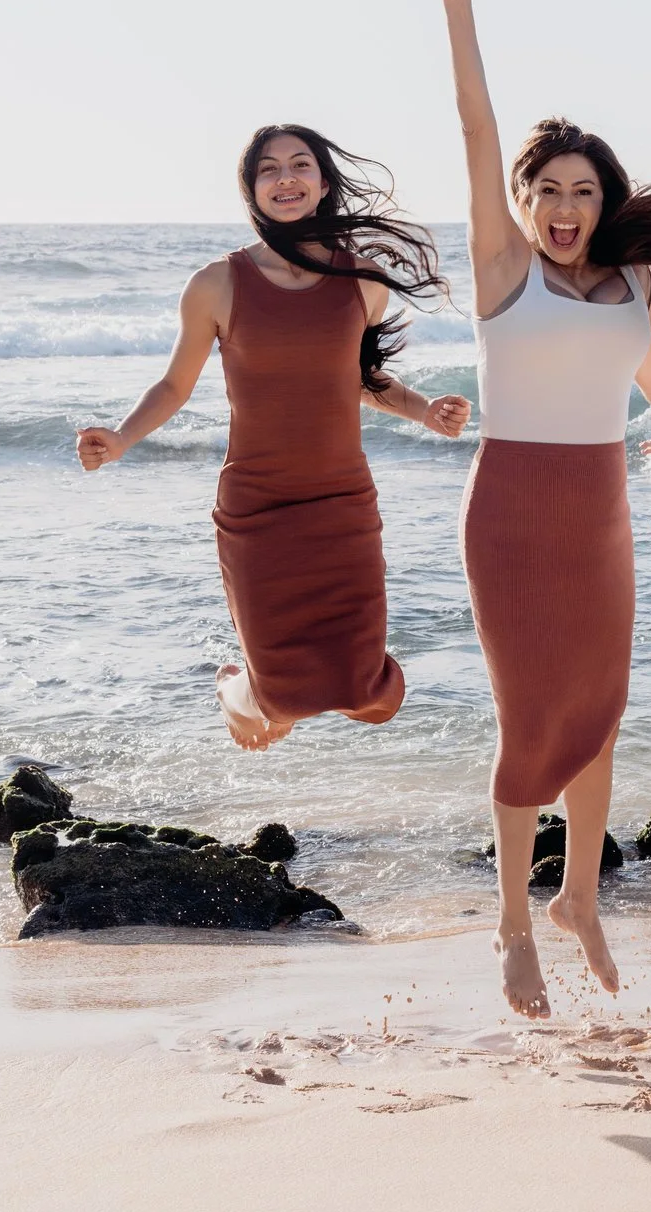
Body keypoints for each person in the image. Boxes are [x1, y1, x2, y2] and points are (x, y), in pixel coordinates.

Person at [409, 0, 651, 1017]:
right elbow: (476, 125)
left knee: (599, 709)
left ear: (602, 198)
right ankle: (509, 927)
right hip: (512, 512)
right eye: (551, 192)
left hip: (599, 513)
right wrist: (458, 3)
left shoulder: (630, 284)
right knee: (530, 716)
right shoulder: (502, 270)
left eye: (585, 192)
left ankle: (580, 896)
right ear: (526, 201)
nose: (568, 209)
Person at [76, 125, 470, 748]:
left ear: (322, 182)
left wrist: (424, 411)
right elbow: (174, 386)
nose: (285, 178)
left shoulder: (363, 281)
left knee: (371, 695)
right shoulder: (217, 283)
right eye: (268, 169)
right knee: (282, 700)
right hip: (259, 510)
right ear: (251, 190)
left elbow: (360, 379)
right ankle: (237, 686)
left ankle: (261, 697)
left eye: (300, 165)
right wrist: (120, 438)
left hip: (342, 505)